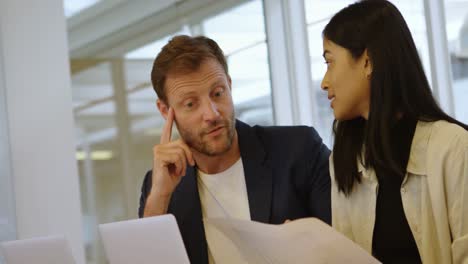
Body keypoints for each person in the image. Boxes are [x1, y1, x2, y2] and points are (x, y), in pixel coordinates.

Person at [138, 35, 331, 264]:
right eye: (191, 104)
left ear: (229, 85)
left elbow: (348, 244)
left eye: (217, 93)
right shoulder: (160, 187)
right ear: (165, 111)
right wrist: (160, 196)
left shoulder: (298, 150)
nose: (211, 114)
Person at [320, 1, 468, 263]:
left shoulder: (454, 147)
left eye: (330, 62)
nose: (324, 82)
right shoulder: (344, 160)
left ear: (368, 61)